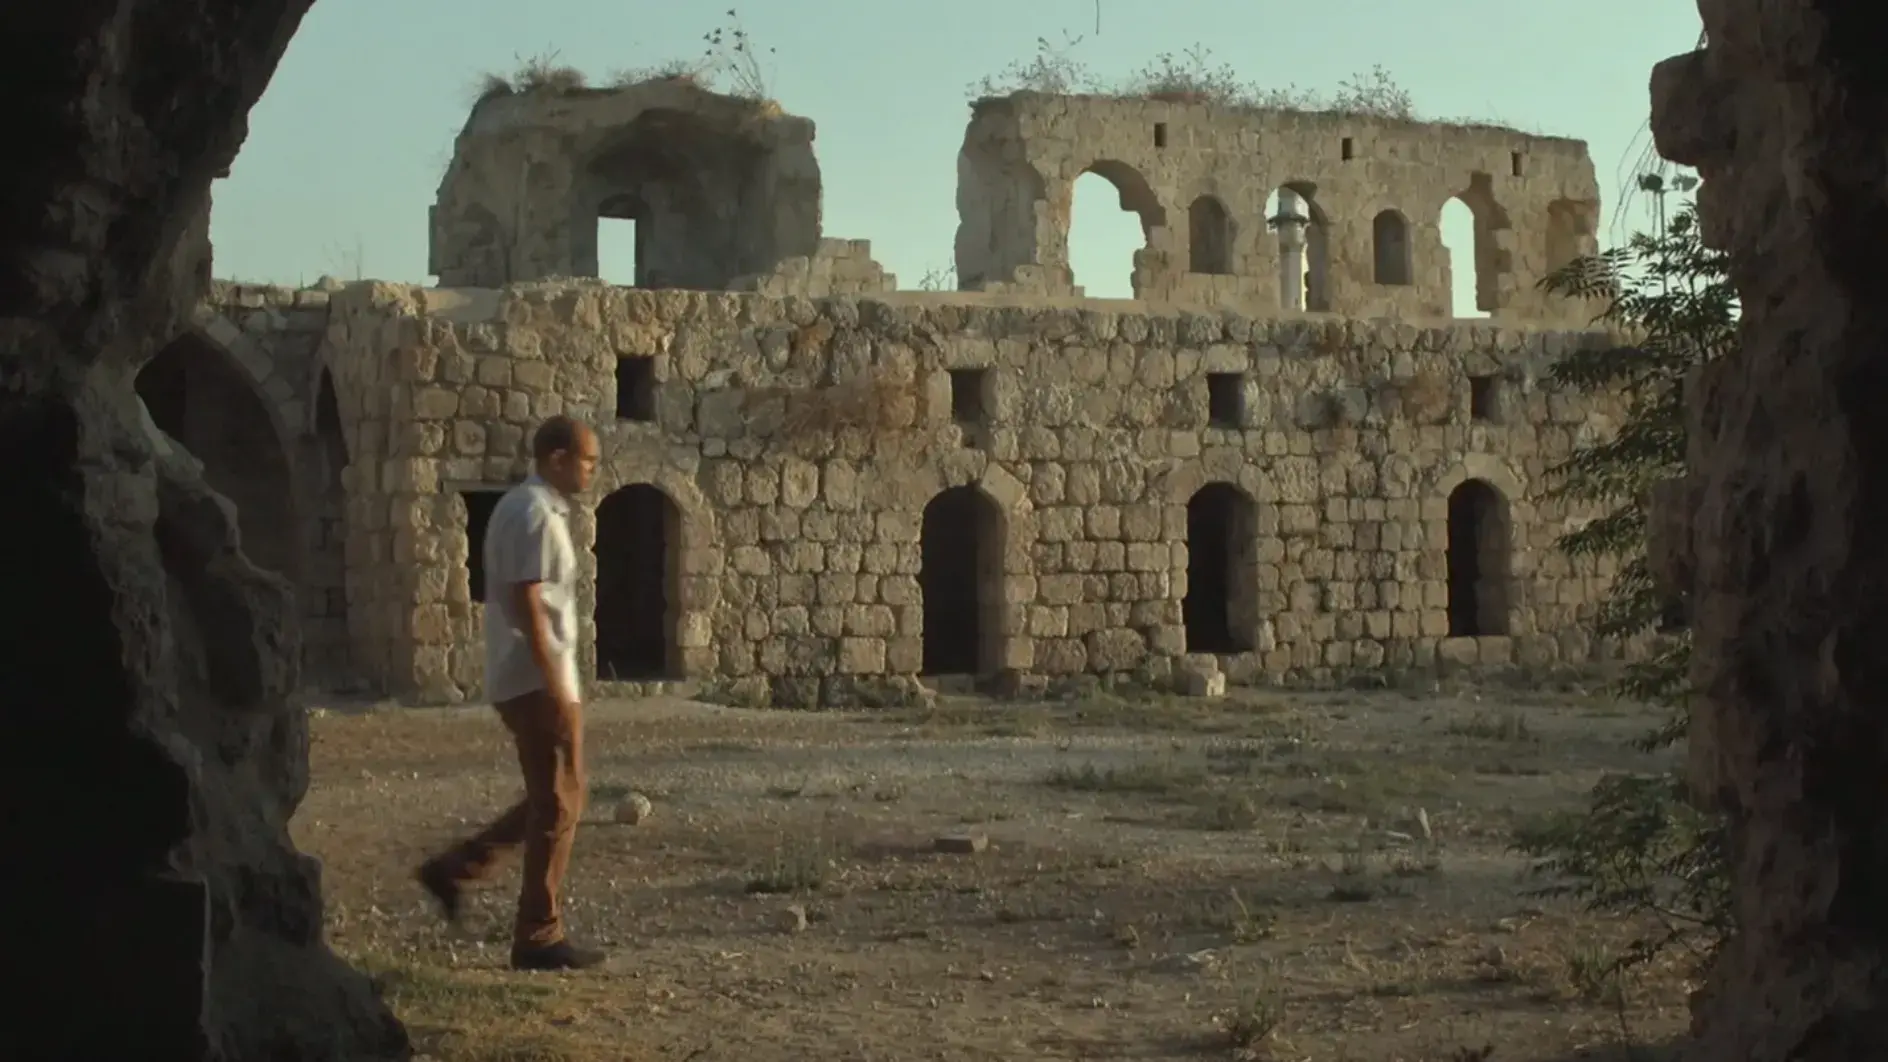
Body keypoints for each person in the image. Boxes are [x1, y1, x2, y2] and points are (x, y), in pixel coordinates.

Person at [416, 415, 607, 971]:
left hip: (531, 674)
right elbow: (526, 597)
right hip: (536, 676)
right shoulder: (533, 514)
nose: (593, 470)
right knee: (560, 803)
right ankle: (538, 935)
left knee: (556, 799)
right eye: (587, 459)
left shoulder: (525, 509)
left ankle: (457, 867)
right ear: (556, 458)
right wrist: (552, 674)